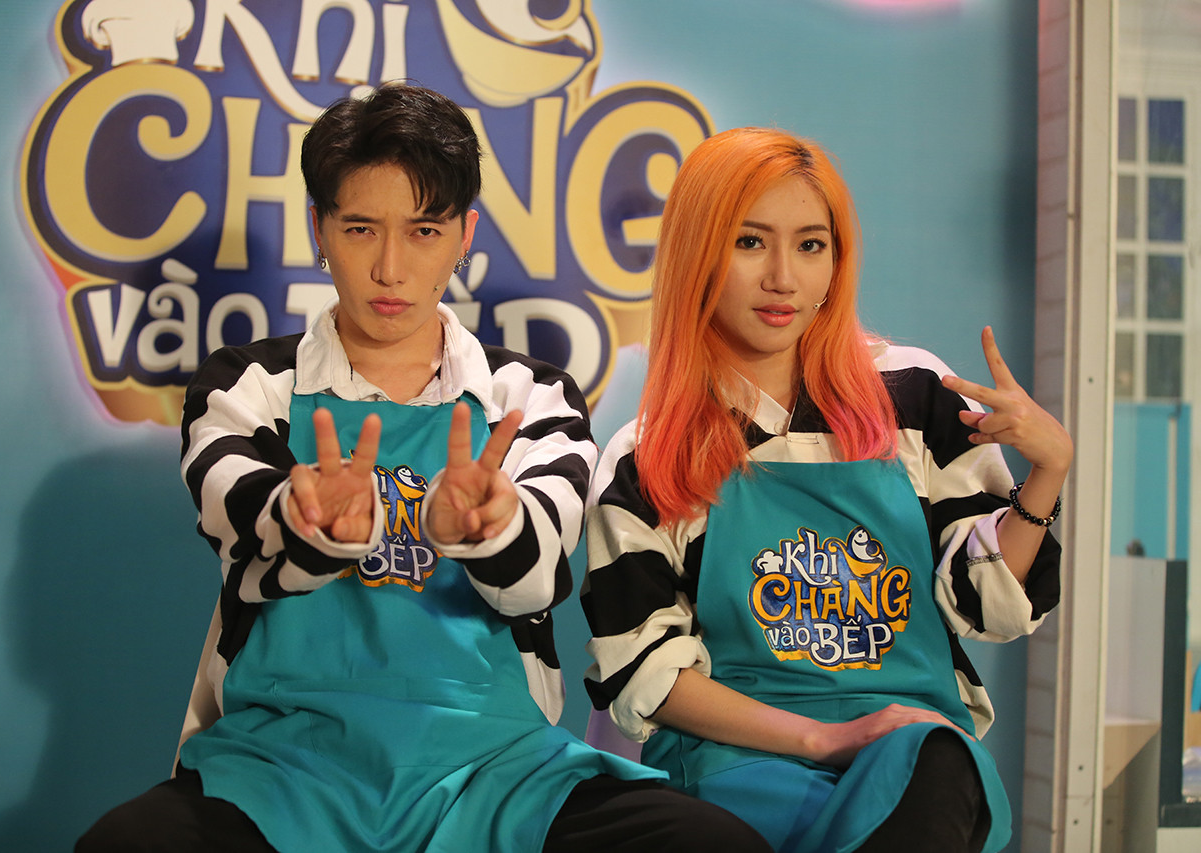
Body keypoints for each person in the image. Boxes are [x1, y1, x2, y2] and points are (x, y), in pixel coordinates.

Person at [76, 83, 772, 853]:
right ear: (319, 227)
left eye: (424, 230)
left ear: (465, 233)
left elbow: (537, 573)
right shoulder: (247, 388)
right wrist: (311, 521)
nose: (390, 267)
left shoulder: (530, 396)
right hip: (284, 761)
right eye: (360, 228)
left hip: (496, 767)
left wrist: (489, 526)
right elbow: (246, 534)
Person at [581, 127, 1070, 853]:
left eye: (811, 245)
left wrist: (1048, 473)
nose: (784, 277)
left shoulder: (914, 395)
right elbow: (643, 670)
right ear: (696, 253)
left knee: (937, 759)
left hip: (913, 758)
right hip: (736, 766)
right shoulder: (646, 455)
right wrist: (825, 736)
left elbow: (986, 607)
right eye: (750, 242)